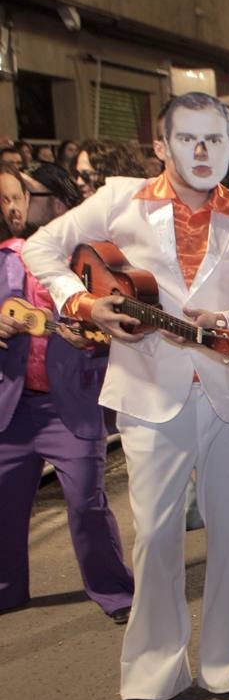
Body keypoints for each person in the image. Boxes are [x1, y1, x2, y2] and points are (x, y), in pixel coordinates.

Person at [23, 92, 229, 700]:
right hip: (146, 389)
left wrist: (225, 318)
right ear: (161, 146)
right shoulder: (120, 198)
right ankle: (154, 671)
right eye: (188, 139)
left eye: (215, 140)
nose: (202, 151)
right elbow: (41, 249)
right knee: (156, 539)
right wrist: (83, 305)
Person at [0, 162, 135, 622]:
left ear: (58, 204)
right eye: (9, 197)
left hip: (71, 405)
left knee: (86, 507)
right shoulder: (4, 257)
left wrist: (94, 335)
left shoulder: (91, 259)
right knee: (5, 505)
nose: (15, 206)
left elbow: (127, 322)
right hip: (12, 407)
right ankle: (7, 590)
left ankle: (115, 593)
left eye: (25, 195)